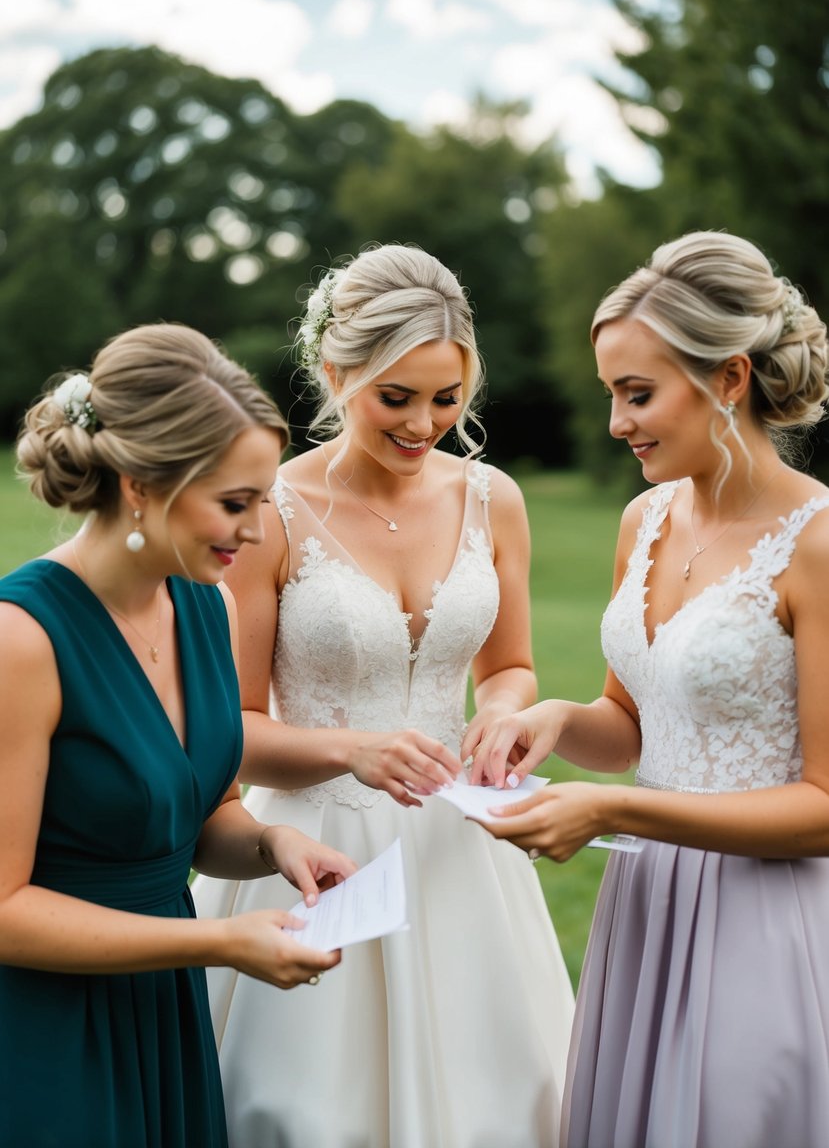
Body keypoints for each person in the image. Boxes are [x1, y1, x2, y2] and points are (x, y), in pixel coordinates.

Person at [192, 244, 574, 1147]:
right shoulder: (271, 511)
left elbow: (509, 664)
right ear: (334, 371)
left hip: (463, 852)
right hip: (318, 853)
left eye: (447, 398)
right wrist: (350, 750)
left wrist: (504, 712)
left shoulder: (493, 499)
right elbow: (233, 728)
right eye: (394, 397)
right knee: (307, 1109)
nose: (424, 424)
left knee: (499, 1098)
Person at [470, 231, 829, 1148]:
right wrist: (555, 721)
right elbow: (630, 725)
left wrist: (614, 815)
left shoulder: (817, 545)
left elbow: (824, 809)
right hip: (648, 910)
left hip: (769, 916)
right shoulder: (645, 518)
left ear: (730, 380)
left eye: (638, 394)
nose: (617, 424)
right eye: (611, 395)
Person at [0, 323, 358, 1148]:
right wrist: (217, 940)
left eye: (264, 499)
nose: (259, 532)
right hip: (47, 1028)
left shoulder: (209, 606)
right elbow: (6, 906)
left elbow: (202, 818)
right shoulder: (24, 639)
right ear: (139, 485)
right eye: (235, 503)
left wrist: (273, 845)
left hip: (163, 1006)